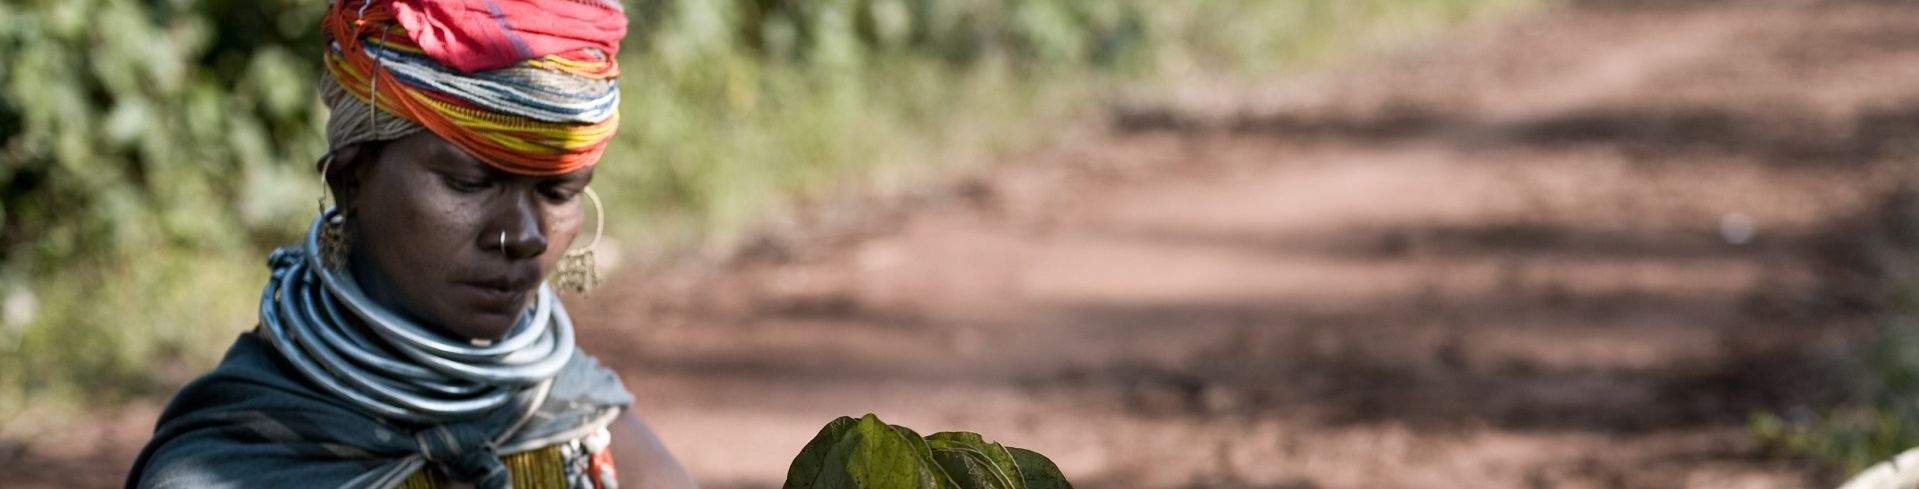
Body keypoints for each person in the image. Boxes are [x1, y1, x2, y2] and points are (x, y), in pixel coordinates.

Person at [125, 1, 697, 488]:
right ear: (350, 181)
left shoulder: (579, 418)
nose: (523, 235)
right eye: (470, 183)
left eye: (557, 191)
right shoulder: (235, 464)